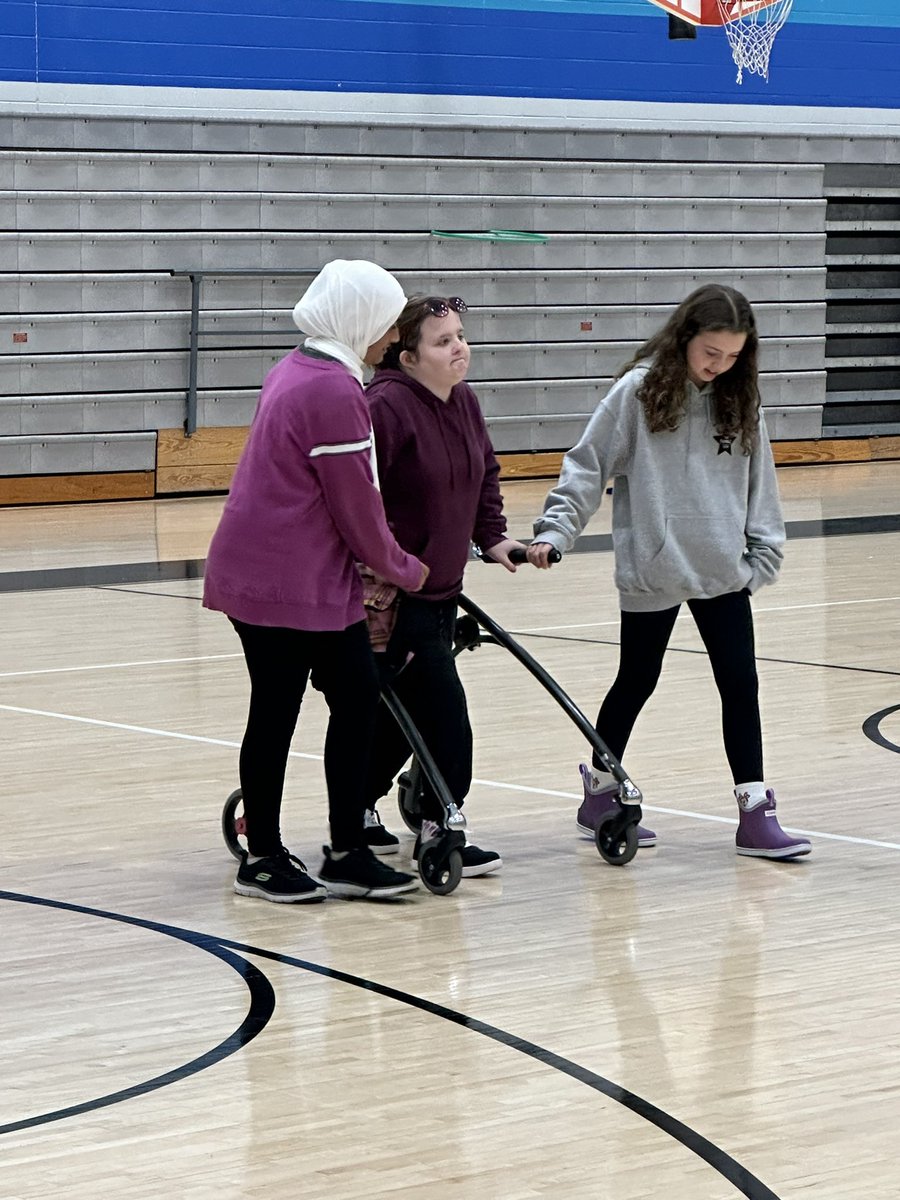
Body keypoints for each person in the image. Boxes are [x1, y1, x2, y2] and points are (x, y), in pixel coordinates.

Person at [528, 284, 811, 860]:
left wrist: (761, 559)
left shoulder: (740, 399)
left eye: (733, 356)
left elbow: (762, 486)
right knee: (637, 680)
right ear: (685, 338)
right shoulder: (637, 393)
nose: (719, 365)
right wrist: (555, 532)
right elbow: (587, 466)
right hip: (654, 571)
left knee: (740, 685)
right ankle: (601, 793)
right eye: (710, 352)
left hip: (722, 573)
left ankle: (754, 812)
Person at [203, 259, 430, 903]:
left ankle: (347, 849)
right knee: (277, 710)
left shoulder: (297, 366)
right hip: (278, 580)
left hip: (299, 575)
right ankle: (265, 856)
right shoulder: (332, 390)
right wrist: (406, 568)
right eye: (386, 325)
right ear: (360, 321)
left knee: (356, 696)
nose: (391, 338)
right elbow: (357, 508)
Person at [358, 294, 528, 877]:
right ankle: (439, 822)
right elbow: (359, 499)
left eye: (460, 335)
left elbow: (484, 475)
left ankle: (367, 804)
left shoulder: (464, 401)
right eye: (443, 341)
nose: (460, 348)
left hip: (442, 592)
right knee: (442, 715)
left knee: (402, 714)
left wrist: (495, 538)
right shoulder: (385, 407)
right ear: (407, 357)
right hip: (393, 597)